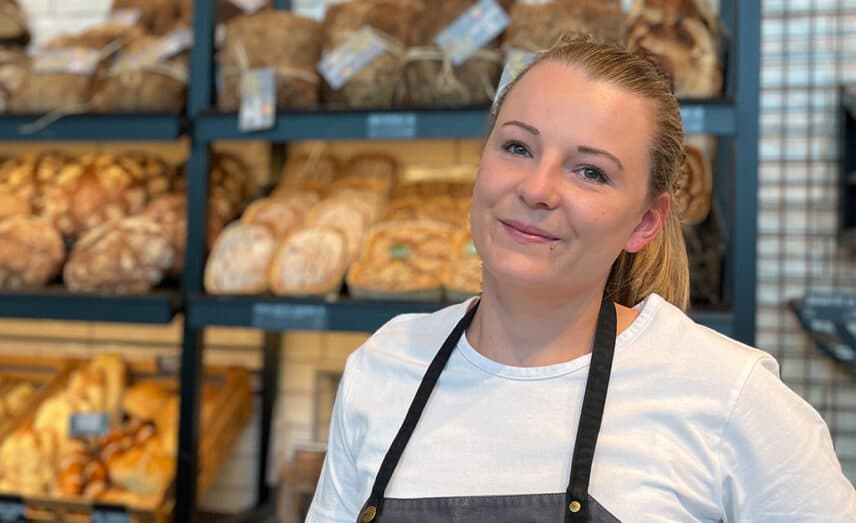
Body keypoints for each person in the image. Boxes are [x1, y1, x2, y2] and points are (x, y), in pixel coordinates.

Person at [306, 36, 856, 523]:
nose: (538, 188)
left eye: (590, 171)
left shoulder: (728, 396)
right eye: (517, 147)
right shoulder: (385, 366)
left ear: (644, 223)